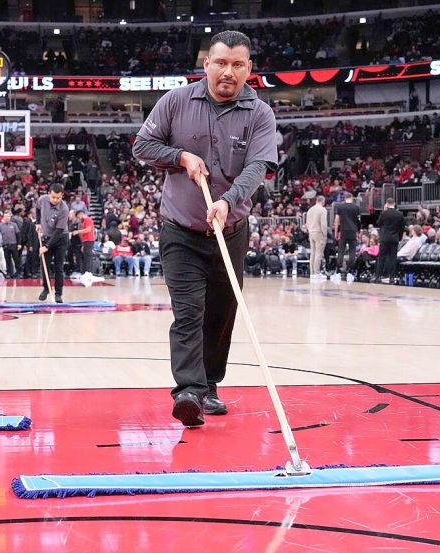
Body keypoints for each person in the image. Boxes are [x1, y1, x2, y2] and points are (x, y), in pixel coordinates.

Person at [133, 30, 277, 426]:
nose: (227, 71)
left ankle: (210, 385)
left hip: (230, 231)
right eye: (220, 62)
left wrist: (228, 201)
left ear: (249, 69)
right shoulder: (176, 102)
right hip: (180, 229)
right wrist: (180, 156)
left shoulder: (260, 115)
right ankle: (189, 392)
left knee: (221, 311)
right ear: (206, 65)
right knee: (188, 311)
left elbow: (257, 168)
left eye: (237, 64)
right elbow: (142, 146)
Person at [38, 182, 70, 302]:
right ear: (49, 194)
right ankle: (46, 289)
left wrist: (47, 246)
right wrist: (37, 222)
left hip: (60, 238)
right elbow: (37, 208)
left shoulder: (64, 209)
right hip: (46, 235)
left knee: (58, 267)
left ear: (62, 196)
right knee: (44, 266)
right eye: (53, 197)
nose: (56, 200)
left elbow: (59, 231)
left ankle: (58, 293)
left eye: (58, 197)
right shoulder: (42, 200)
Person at [376, 197, 405, 282]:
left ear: (387, 204)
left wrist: (384, 210)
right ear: (394, 204)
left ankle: (378, 276)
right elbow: (402, 227)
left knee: (381, 257)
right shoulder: (400, 214)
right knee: (393, 257)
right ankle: (392, 276)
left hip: (384, 238)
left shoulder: (384, 213)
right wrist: (398, 237)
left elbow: (378, 223)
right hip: (394, 238)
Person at [333, 192, 361, 276]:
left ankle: (339, 269)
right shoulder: (356, 207)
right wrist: (358, 231)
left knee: (341, 250)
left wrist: (336, 232)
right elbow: (359, 221)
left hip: (343, 231)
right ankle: (351, 270)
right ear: (352, 198)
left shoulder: (340, 207)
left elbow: (336, 220)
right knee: (352, 251)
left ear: (345, 198)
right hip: (353, 231)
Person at [305, 196, 328, 277]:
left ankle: (312, 272)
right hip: (319, 232)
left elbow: (307, 223)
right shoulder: (323, 210)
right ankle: (317, 272)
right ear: (323, 201)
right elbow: (324, 224)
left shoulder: (310, 210)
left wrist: (309, 231)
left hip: (311, 232)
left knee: (313, 253)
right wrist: (325, 235)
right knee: (318, 253)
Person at [0, 211, 21, 278]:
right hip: (5, 245)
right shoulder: (1, 225)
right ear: (3, 218)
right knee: (7, 260)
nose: (7, 218)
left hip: (13, 244)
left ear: (10, 217)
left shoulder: (14, 225)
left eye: (8, 217)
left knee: (16, 259)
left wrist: (19, 244)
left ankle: (18, 272)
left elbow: (18, 234)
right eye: (5, 217)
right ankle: (8, 273)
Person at [74, 210, 96, 274]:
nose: (79, 219)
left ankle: (88, 272)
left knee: (88, 256)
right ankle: (86, 271)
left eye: (78, 217)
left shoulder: (88, 220)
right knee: (86, 256)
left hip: (89, 240)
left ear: (81, 214)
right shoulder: (84, 221)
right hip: (86, 241)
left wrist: (78, 231)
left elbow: (88, 230)